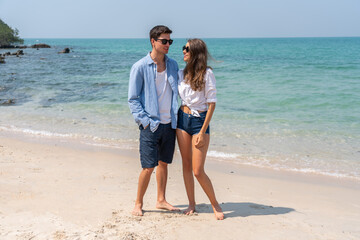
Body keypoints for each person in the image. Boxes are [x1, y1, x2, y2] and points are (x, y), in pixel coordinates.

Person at [128, 25, 179, 216]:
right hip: (150, 125)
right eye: (164, 41)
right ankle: (138, 203)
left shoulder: (173, 65)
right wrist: (144, 121)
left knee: (164, 164)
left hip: (169, 124)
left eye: (170, 41)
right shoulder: (140, 66)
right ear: (153, 41)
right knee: (148, 167)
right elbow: (133, 99)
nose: (168, 45)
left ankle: (161, 200)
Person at [176, 39, 224, 220]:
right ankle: (191, 204)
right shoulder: (182, 73)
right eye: (183, 48)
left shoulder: (207, 74)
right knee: (186, 166)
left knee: (198, 170)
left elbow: (212, 104)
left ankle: (215, 203)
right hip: (182, 119)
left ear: (195, 52)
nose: (183, 51)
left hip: (199, 122)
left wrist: (203, 132)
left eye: (186, 49)